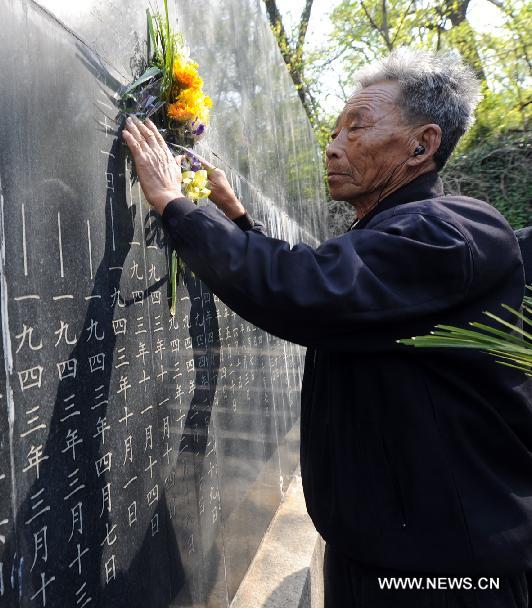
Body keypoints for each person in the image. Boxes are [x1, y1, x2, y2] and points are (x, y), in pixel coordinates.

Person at [122, 48, 532, 607]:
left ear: (422, 144)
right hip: (381, 548)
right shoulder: (396, 230)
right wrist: (237, 218)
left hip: (444, 570)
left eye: (356, 127)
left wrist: (174, 203)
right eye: (334, 129)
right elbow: (334, 284)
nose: (333, 145)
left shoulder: (452, 231)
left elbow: (310, 291)